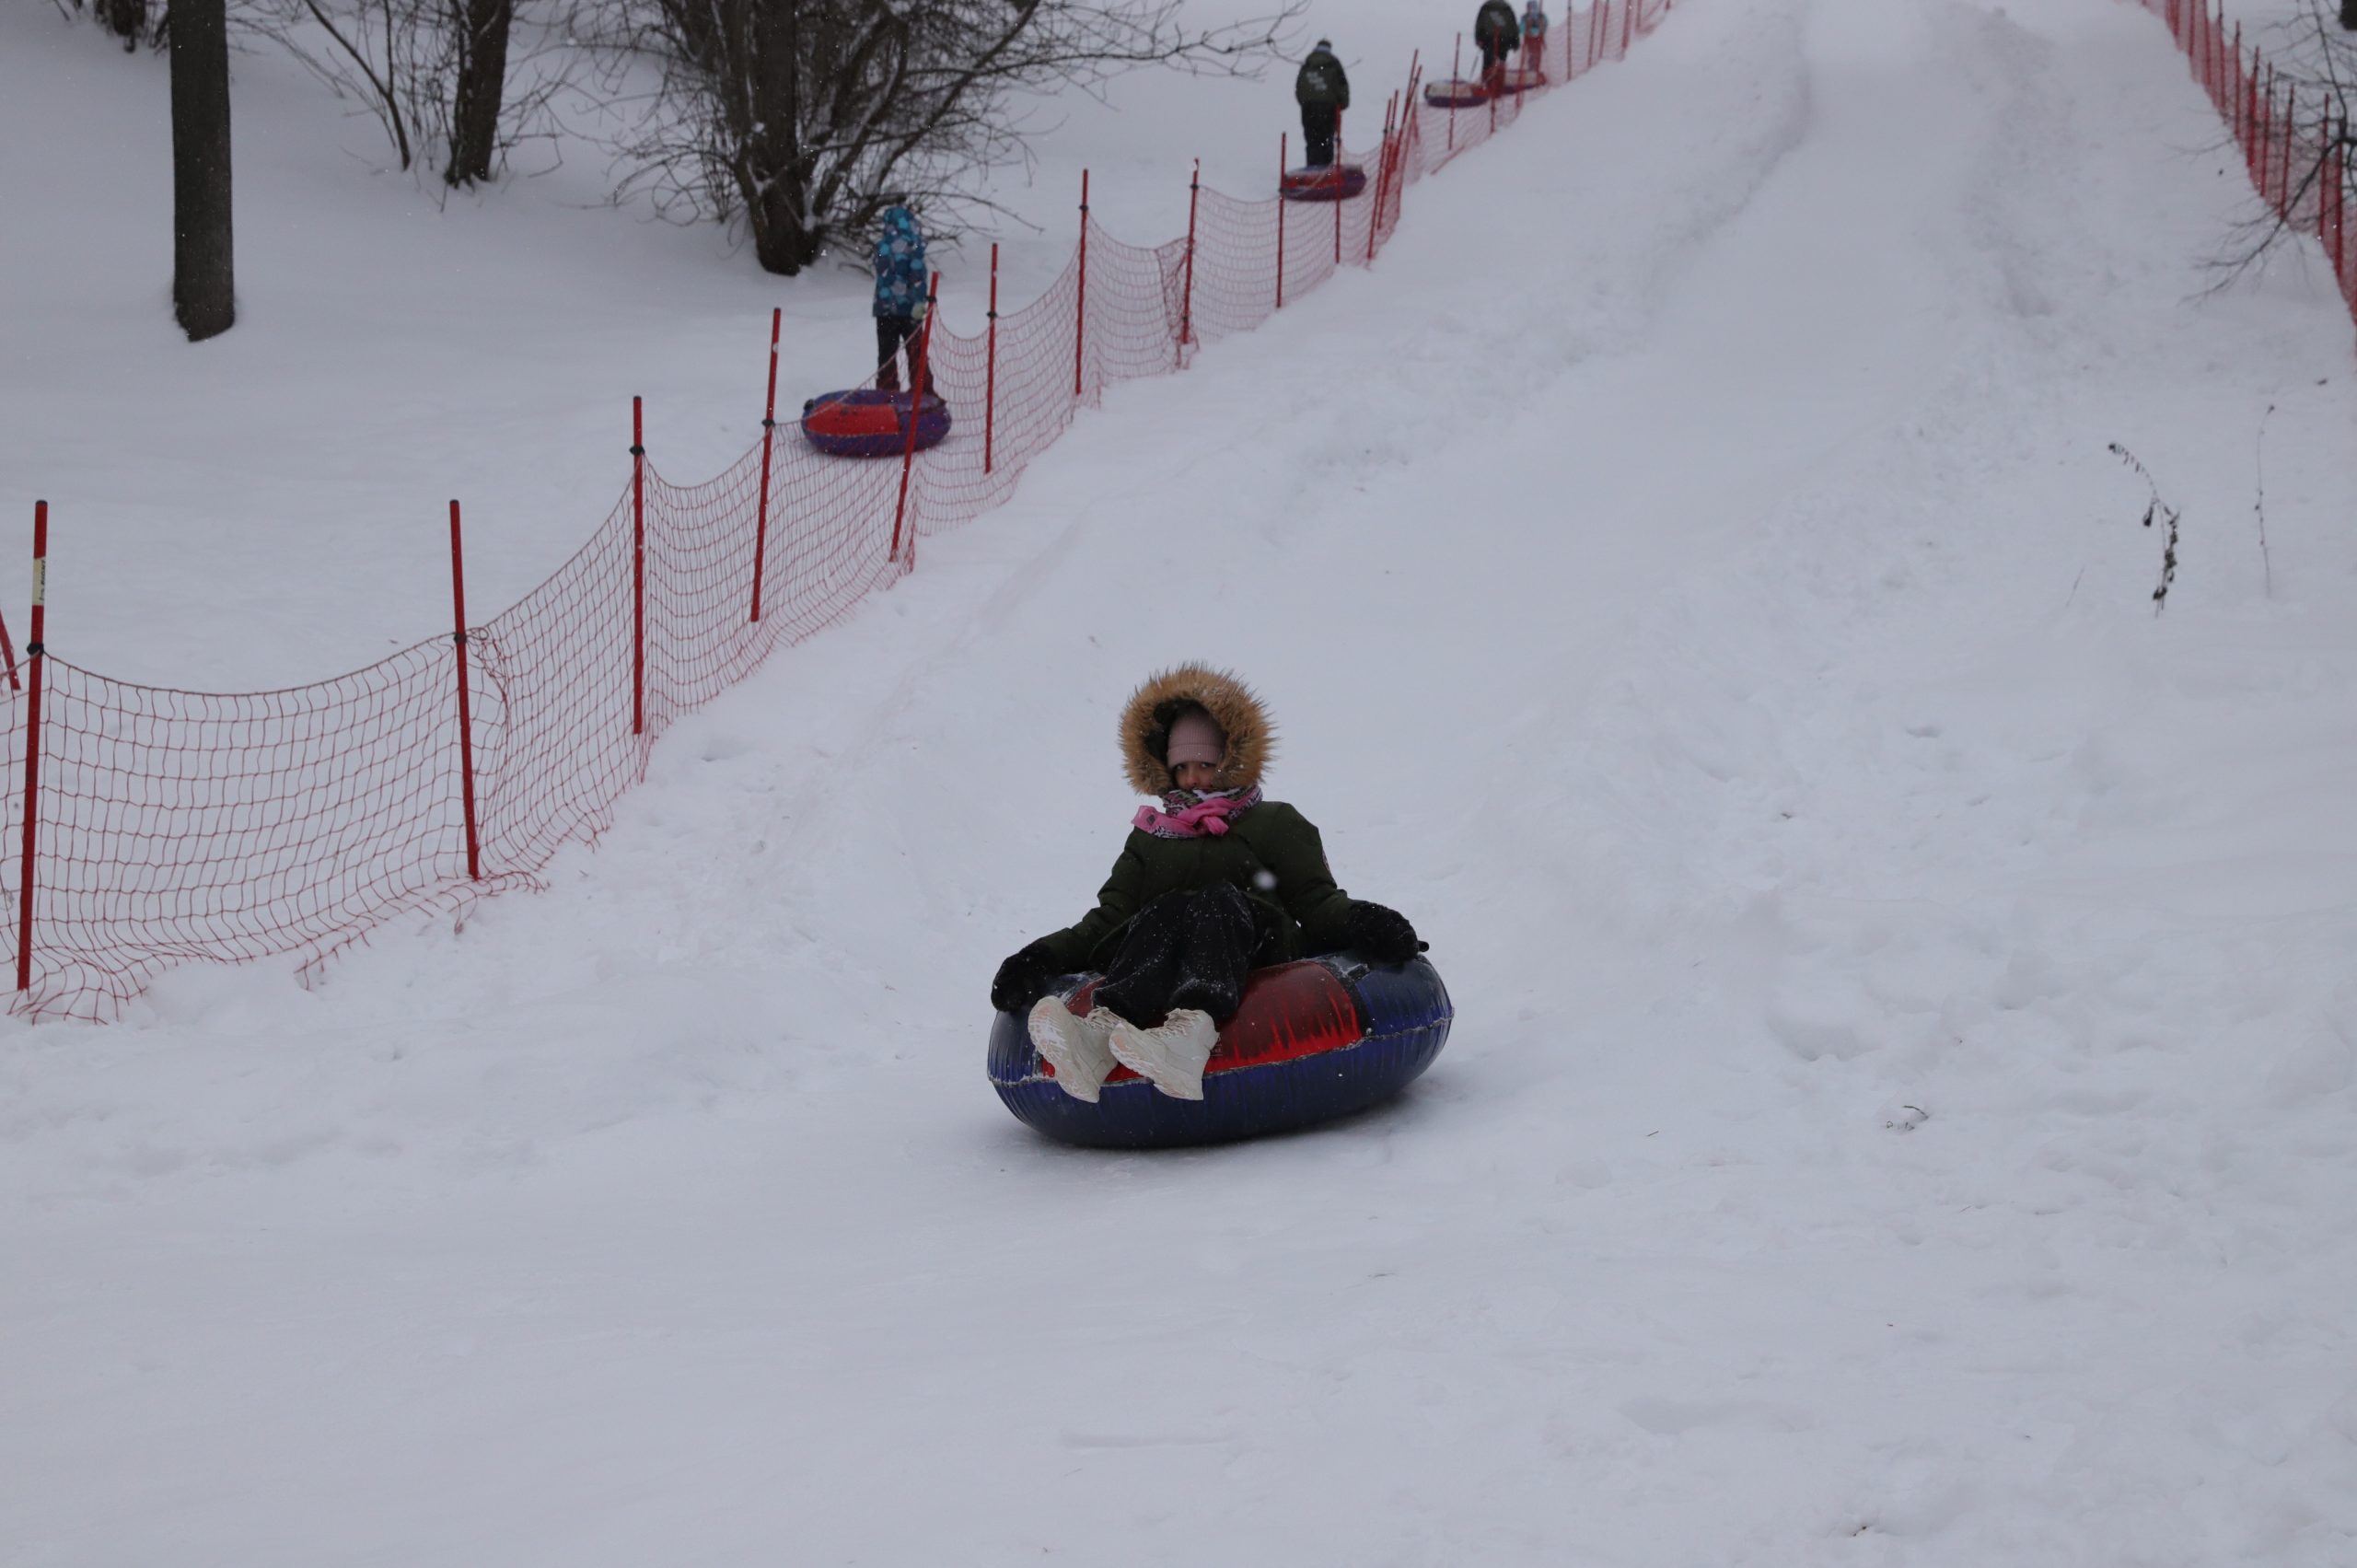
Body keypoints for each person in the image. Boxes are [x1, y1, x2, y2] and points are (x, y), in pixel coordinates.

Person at [990, 665, 1427, 1104]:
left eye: (1205, 764)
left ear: (1230, 759)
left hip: (1255, 950)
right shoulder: (1151, 837)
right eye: (1182, 767)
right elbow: (1109, 919)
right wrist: (1040, 956)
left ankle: (1190, 1035)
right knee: (1165, 909)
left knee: (1215, 899)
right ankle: (1098, 1036)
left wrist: (1365, 922)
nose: (1194, 779)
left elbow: (1315, 903)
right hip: (1168, 956)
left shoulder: (1275, 823)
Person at [871, 203, 934, 398]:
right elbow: (917, 276)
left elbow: (880, 269)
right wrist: (919, 301)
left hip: (885, 309)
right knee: (915, 352)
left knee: (887, 354)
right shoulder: (914, 245)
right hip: (909, 310)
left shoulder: (882, 245)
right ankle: (922, 390)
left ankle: (887, 389)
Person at [1295, 38, 1352, 170]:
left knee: (1311, 140)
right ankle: (1326, 172)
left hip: (1308, 108)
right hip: (1328, 107)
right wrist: (1343, 103)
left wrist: (1305, 102)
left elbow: (1299, 87)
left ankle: (1312, 169)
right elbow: (1341, 85)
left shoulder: (1307, 64)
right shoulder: (1333, 63)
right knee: (1326, 139)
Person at [1473, 0, 1522, 88]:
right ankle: (1498, 86)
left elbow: (1479, 24)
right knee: (1501, 63)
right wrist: (1515, 42)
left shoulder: (1486, 7)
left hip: (1488, 39)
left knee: (1488, 63)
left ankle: (1486, 85)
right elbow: (1513, 26)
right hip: (1504, 40)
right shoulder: (1507, 8)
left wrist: (1478, 38)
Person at [1521, 0, 1549, 72]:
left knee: (1534, 56)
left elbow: (1544, 26)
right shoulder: (1539, 16)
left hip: (1534, 40)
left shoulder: (1539, 16)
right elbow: (1522, 28)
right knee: (1534, 56)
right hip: (1534, 39)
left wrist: (1531, 31)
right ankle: (1533, 70)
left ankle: (1534, 71)